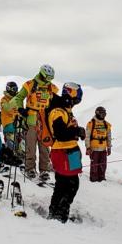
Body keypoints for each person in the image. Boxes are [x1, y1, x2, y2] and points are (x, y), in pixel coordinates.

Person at [13, 64, 59, 179]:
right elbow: (19, 98)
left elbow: (56, 103)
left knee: (44, 147)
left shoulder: (52, 88)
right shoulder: (30, 85)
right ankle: (30, 168)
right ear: (42, 75)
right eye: (48, 78)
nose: (49, 80)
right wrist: (20, 109)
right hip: (31, 120)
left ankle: (44, 170)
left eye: (51, 78)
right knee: (30, 147)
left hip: (45, 122)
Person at [48, 82, 85, 223]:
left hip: (68, 151)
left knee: (64, 185)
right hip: (63, 151)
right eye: (77, 97)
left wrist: (77, 132)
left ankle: (57, 212)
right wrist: (77, 131)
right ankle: (59, 214)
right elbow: (60, 133)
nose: (77, 101)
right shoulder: (58, 111)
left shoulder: (66, 110)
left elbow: (67, 130)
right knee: (69, 185)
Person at [85, 106, 112, 182]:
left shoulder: (107, 125)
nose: (103, 116)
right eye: (102, 114)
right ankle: (93, 179)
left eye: (104, 115)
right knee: (94, 165)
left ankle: (101, 178)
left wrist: (109, 147)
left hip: (103, 148)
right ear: (97, 113)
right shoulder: (91, 124)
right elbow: (87, 136)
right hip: (93, 149)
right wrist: (88, 147)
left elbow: (109, 137)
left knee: (103, 164)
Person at [0, 81, 24, 166]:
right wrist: (15, 99)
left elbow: (20, 112)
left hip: (18, 125)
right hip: (9, 125)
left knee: (21, 144)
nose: (15, 91)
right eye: (14, 89)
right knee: (11, 143)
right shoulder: (4, 99)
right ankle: (9, 158)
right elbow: (7, 108)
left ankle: (21, 159)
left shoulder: (17, 100)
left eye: (16, 89)